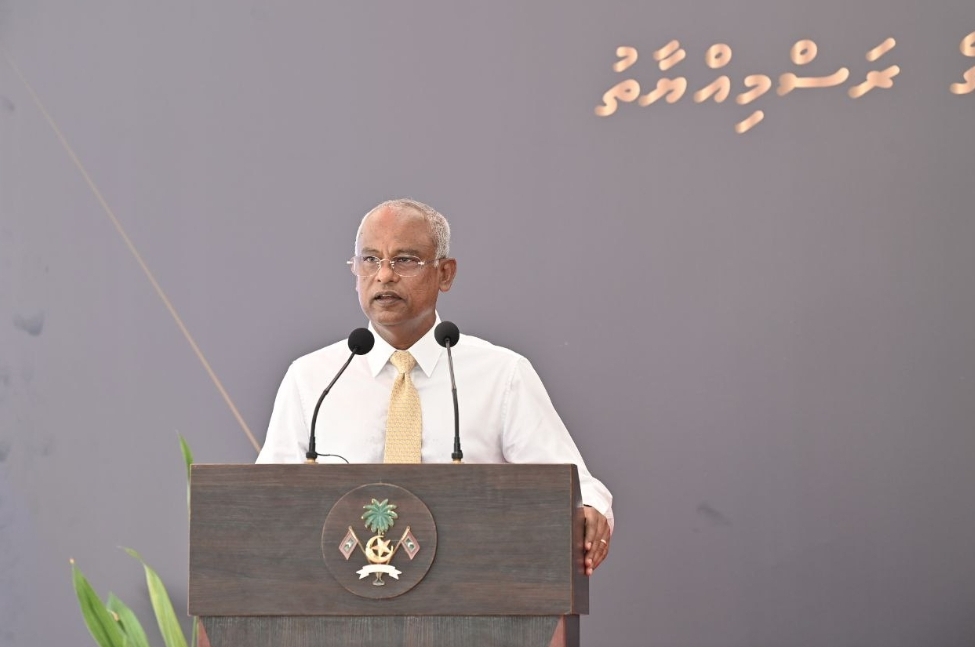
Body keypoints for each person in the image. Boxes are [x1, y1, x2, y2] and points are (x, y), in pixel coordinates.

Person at [258, 198, 613, 574]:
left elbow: (575, 487)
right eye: (370, 259)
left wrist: (590, 509)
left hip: (471, 586)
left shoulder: (501, 374)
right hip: (338, 589)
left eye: (404, 260)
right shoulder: (312, 378)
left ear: (445, 273)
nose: (384, 275)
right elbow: (265, 499)